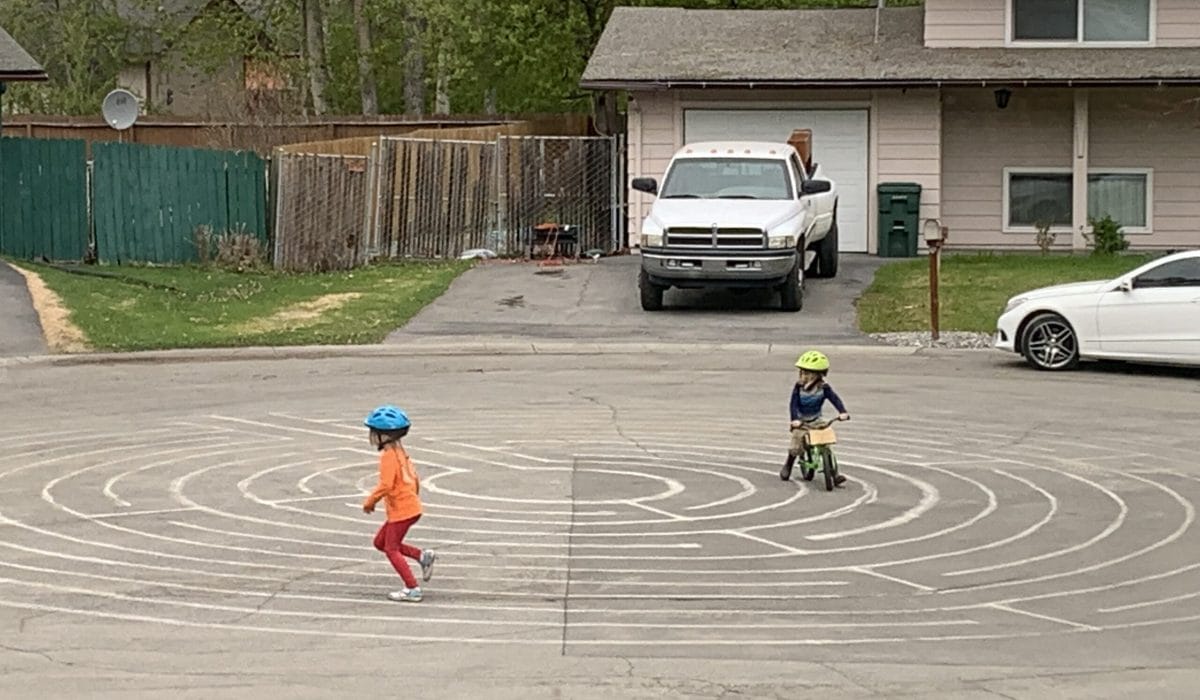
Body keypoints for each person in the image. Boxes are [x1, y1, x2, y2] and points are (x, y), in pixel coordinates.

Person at [362, 404, 436, 602]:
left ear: (384, 435)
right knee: (380, 542)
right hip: (408, 508)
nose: (370, 436)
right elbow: (414, 478)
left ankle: (412, 588)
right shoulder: (400, 452)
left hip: (402, 511)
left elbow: (385, 484)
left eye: (373, 432)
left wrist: (370, 502)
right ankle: (421, 556)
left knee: (391, 548)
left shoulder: (388, 456)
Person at [780, 351, 850, 485]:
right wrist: (794, 419)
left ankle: (835, 474)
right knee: (796, 443)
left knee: (827, 444)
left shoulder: (824, 388)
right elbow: (793, 404)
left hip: (817, 420)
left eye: (807, 373)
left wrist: (842, 412)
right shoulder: (799, 387)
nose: (803, 376)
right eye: (802, 373)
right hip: (801, 421)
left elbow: (835, 399)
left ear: (818, 375)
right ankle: (788, 465)